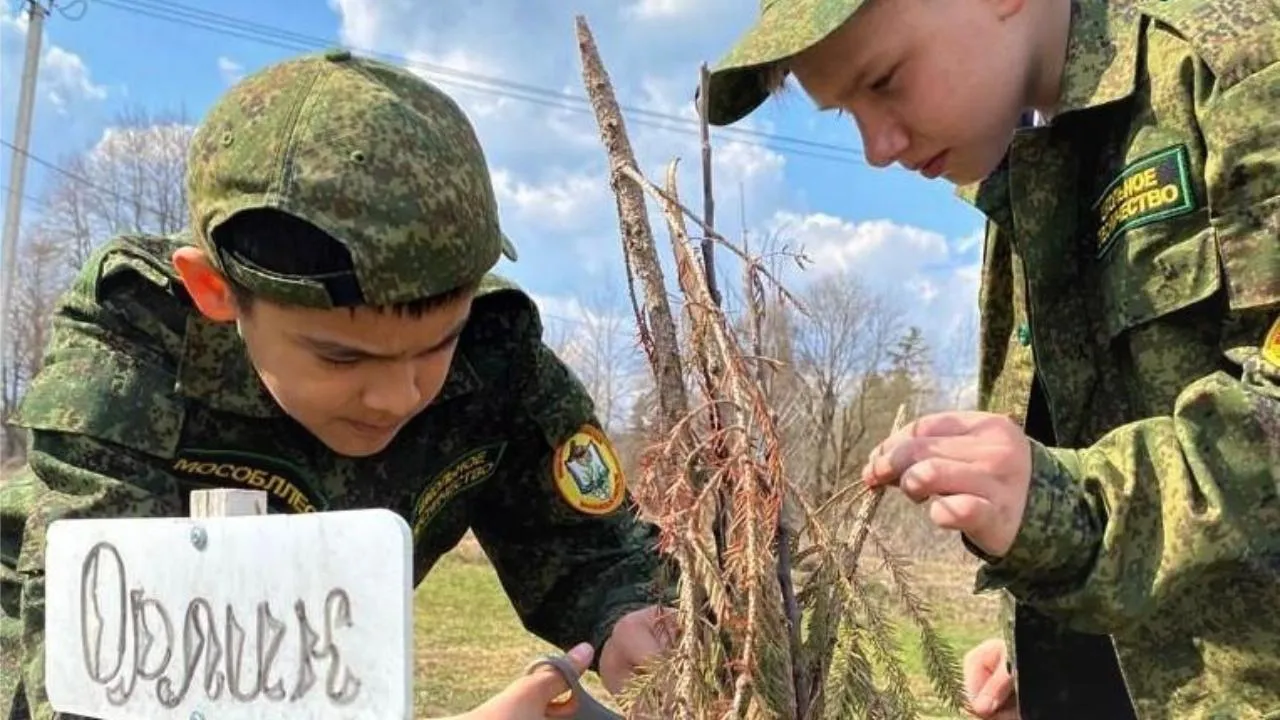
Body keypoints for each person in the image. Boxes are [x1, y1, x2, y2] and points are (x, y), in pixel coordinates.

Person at [0, 49, 670, 719]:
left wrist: (627, 617)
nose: (397, 396)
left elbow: (597, 550)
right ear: (215, 290)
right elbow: (89, 694)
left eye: (435, 345)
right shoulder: (133, 346)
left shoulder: (495, 350)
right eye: (342, 359)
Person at [701, 0, 1280, 718]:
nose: (876, 147)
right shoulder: (1020, 164)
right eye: (843, 112)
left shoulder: (1243, 64)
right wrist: (1036, 648)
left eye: (883, 81)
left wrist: (1065, 511)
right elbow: (1072, 426)